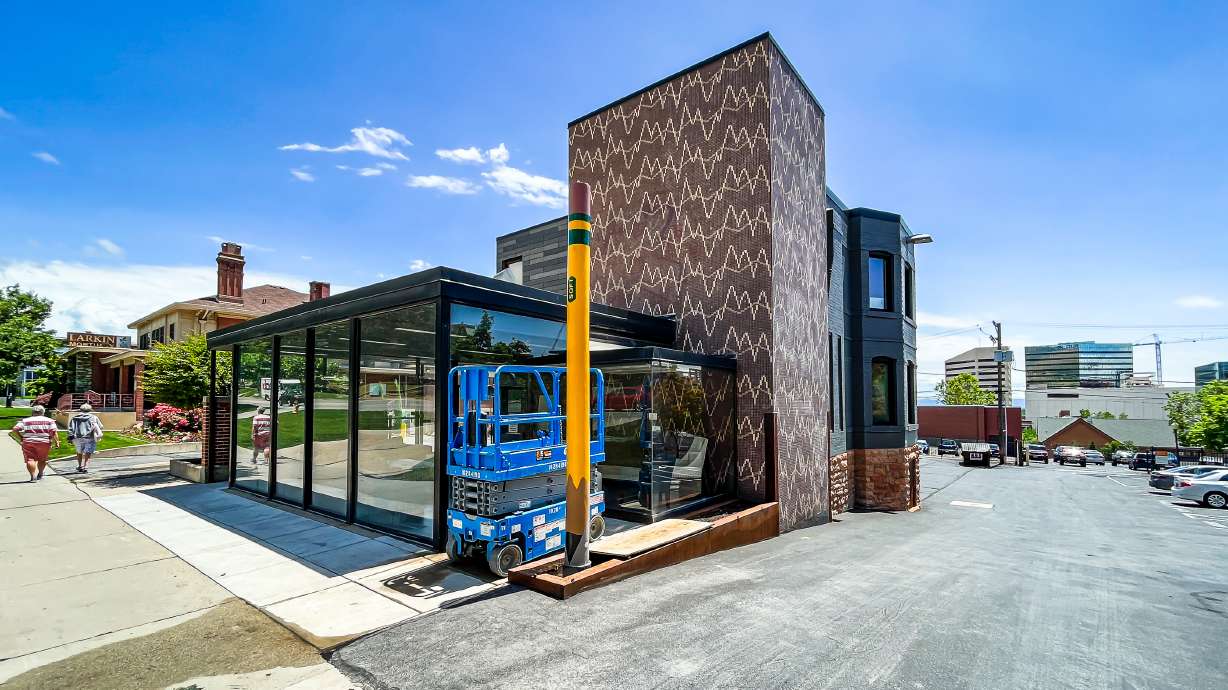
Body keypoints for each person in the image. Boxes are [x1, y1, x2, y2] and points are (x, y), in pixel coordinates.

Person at [10, 405, 61, 482]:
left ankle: (33, 477)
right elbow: (53, 431)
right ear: (43, 412)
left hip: (28, 442)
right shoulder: (50, 420)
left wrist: (21, 437)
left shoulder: (25, 420)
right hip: (44, 442)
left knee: (30, 459)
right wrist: (56, 441)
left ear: (33, 412)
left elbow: (15, 429)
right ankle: (40, 474)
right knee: (42, 459)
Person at [68, 403, 104, 473]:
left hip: (77, 437)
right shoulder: (94, 417)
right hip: (89, 437)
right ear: (90, 409)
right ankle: (85, 466)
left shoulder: (75, 418)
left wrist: (70, 438)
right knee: (88, 452)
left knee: (79, 451)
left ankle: (80, 466)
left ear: (81, 409)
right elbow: (100, 426)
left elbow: (71, 429)